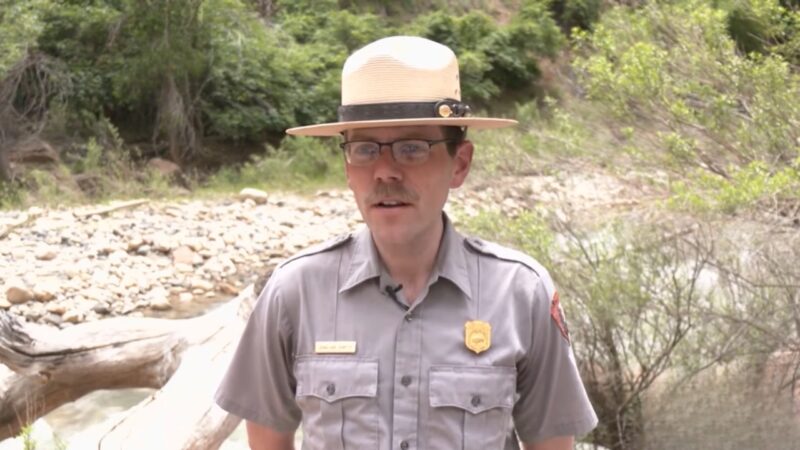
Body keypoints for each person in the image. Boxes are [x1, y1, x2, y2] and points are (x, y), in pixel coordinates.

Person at [215, 35, 598, 450]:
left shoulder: (521, 293)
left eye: (412, 148)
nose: (385, 172)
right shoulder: (295, 292)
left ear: (460, 163)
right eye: (364, 149)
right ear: (347, 167)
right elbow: (268, 440)